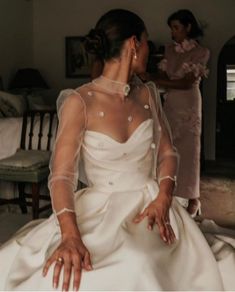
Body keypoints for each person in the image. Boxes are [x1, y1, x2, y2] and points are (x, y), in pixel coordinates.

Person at [0, 8, 234, 291]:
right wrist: (70, 235)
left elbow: (168, 154)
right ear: (134, 44)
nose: (150, 49)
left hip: (151, 203)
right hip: (100, 207)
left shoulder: (148, 93)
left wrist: (163, 197)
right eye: (147, 42)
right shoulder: (80, 101)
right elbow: (61, 176)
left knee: (157, 261)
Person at [146, 9, 210, 216]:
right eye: (171, 28)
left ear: (188, 27)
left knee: (190, 151)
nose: (173, 33)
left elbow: (186, 82)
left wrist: (156, 79)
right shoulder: (169, 50)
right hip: (171, 103)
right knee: (168, 147)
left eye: (176, 27)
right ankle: (169, 191)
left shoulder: (202, 52)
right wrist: (157, 78)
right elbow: (165, 75)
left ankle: (193, 197)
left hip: (189, 103)